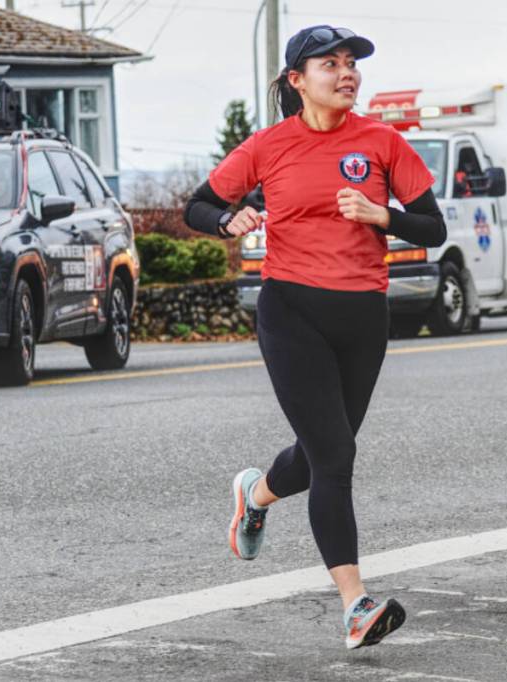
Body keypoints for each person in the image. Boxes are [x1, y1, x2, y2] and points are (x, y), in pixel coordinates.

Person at [184, 25, 447, 649]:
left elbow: (433, 228)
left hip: (363, 316)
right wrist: (229, 217)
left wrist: (381, 214)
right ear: (297, 80)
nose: (347, 73)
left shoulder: (384, 142)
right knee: (336, 457)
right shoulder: (268, 146)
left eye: (352, 63)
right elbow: (197, 205)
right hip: (292, 310)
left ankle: (255, 492)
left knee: (319, 453)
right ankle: (356, 606)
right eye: (330, 64)